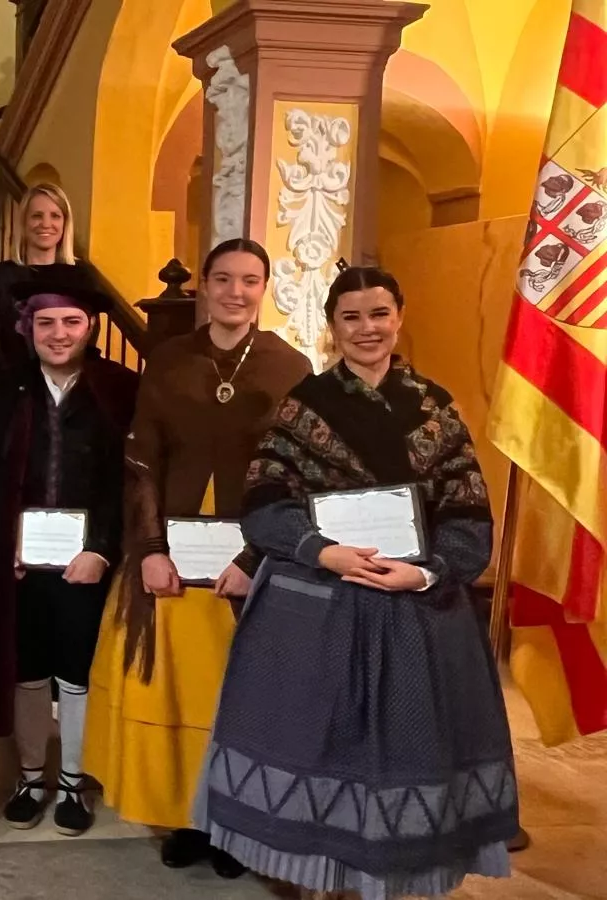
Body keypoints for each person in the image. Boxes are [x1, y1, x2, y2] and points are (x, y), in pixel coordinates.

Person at [195, 264, 518, 898]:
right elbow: (263, 505)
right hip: (321, 609)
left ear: (399, 317)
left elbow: (468, 513)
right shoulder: (304, 405)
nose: (366, 329)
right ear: (331, 327)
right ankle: (323, 879)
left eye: (378, 314)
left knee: (408, 752)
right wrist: (324, 552)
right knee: (322, 748)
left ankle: (397, 877)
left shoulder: (437, 406)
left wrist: (426, 571)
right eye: (350, 317)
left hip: (417, 612)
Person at [82, 238, 310, 879]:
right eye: (223, 279)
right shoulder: (169, 359)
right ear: (205, 286)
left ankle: (235, 823)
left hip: (251, 564)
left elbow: (293, 475)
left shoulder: (290, 367)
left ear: (264, 288)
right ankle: (186, 816)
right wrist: (150, 549)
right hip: (173, 562)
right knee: (180, 698)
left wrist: (256, 555)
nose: (235, 292)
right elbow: (142, 459)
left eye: (249, 280)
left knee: (235, 703)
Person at [0, 264, 138, 836]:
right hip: (21, 563)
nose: (59, 333)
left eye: (71, 322)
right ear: (28, 327)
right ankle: (31, 777)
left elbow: (126, 481)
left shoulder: (120, 390)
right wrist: (0, 543)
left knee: (77, 671)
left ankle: (74, 782)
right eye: (47, 322)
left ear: (90, 327)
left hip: (88, 561)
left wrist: (103, 549)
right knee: (27, 670)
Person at [0, 183, 78, 369]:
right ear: (24, 222)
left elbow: (86, 339)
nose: (46, 224)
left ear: (65, 223)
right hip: (10, 383)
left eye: (55, 216)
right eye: (37, 216)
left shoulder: (80, 276)